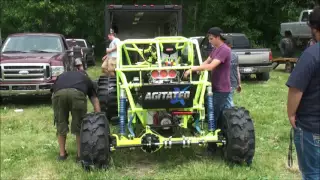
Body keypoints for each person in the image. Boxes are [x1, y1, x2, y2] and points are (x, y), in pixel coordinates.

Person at [286, 6, 320, 180]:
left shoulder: (311, 55)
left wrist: (291, 114)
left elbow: (296, 89)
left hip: (312, 128)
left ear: (314, 28)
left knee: (313, 173)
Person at [184, 27, 231, 138]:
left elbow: (210, 66)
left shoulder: (224, 49)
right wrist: (196, 69)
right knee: (209, 111)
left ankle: (213, 143)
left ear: (218, 37)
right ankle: (216, 134)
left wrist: (192, 69)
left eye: (211, 39)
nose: (209, 41)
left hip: (222, 89)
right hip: (214, 86)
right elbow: (206, 62)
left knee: (213, 115)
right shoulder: (216, 49)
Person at [52, 62, 101, 162]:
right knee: (79, 125)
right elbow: (95, 100)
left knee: (61, 123)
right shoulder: (85, 77)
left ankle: (62, 155)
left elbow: (53, 92)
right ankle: (79, 155)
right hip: (77, 94)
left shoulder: (62, 75)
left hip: (58, 94)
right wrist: (99, 118)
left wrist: (57, 109)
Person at [224, 39, 241, 107]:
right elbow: (237, 70)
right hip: (234, 82)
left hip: (226, 82)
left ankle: (232, 114)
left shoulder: (223, 55)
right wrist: (239, 84)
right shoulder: (235, 55)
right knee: (228, 99)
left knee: (228, 101)